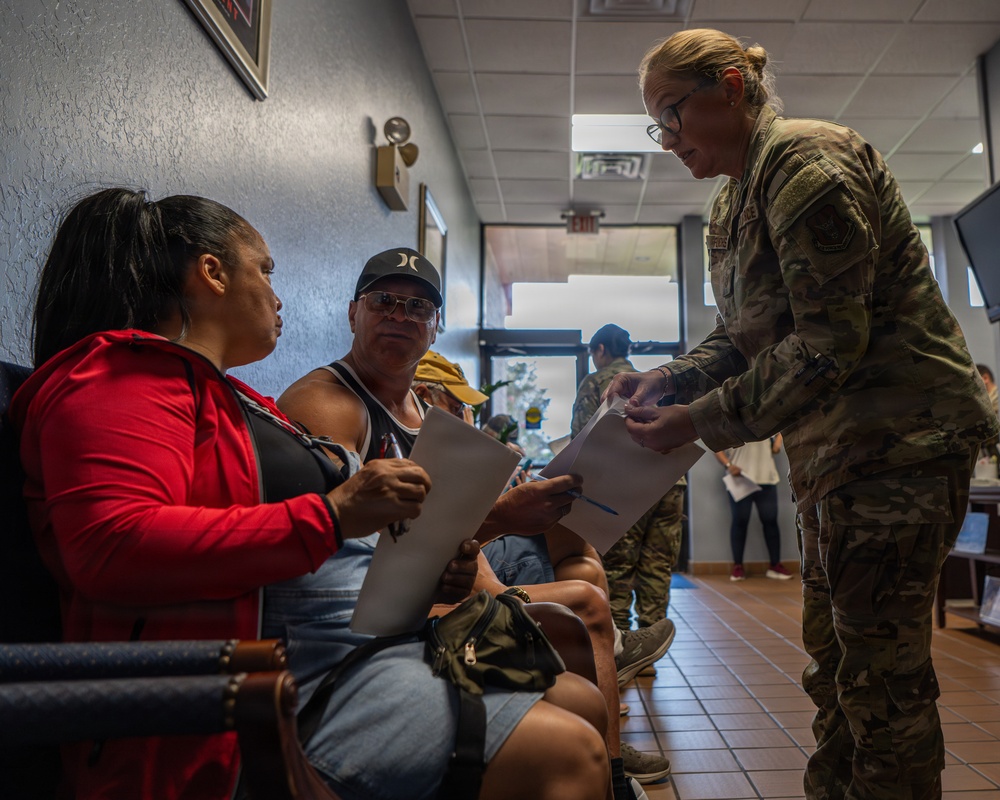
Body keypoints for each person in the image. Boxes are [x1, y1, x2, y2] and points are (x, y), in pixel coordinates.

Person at [11, 189, 611, 800]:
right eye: (264, 270)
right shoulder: (123, 378)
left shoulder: (235, 398)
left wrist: (427, 574)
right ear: (213, 273)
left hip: (364, 639)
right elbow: (112, 547)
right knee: (572, 752)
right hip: (290, 678)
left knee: (581, 698)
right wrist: (332, 514)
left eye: (417, 309)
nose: (277, 294)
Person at [603, 28, 1000, 800]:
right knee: (834, 662)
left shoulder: (806, 167)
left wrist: (694, 422)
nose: (668, 140)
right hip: (840, 455)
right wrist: (670, 379)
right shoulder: (733, 200)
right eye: (659, 125)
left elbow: (828, 342)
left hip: (902, 446)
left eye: (673, 116)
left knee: (881, 681)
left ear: (731, 85)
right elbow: (746, 332)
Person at [277, 255, 672, 795]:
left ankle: (611, 771)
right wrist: (502, 519)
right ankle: (609, 763)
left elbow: (447, 533)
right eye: (383, 301)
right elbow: (357, 560)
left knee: (572, 536)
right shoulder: (328, 406)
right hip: (380, 620)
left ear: (435, 326)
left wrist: (499, 517)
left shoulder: (425, 412)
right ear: (352, 313)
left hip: (446, 580)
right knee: (583, 602)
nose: (400, 315)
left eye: (418, 306)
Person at [571, 324, 685, 639]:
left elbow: (581, 436)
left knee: (618, 568)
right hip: (669, 481)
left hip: (623, 484)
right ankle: (650, 645)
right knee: (657, 565)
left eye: (594, 354)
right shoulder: (652, 381)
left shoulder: (595, 381)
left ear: (601, 350)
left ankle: (622, 646)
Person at [714, 435, 791, 581]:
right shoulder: (731, 421)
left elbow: (780, 431)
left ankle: (775, 566)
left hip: (766, 478)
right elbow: (715, 446)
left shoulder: (766, 418)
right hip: (740, 479)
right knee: (740, 521)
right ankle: (738, 567)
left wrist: (777, 444)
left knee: (770, 521)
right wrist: (729, 466)